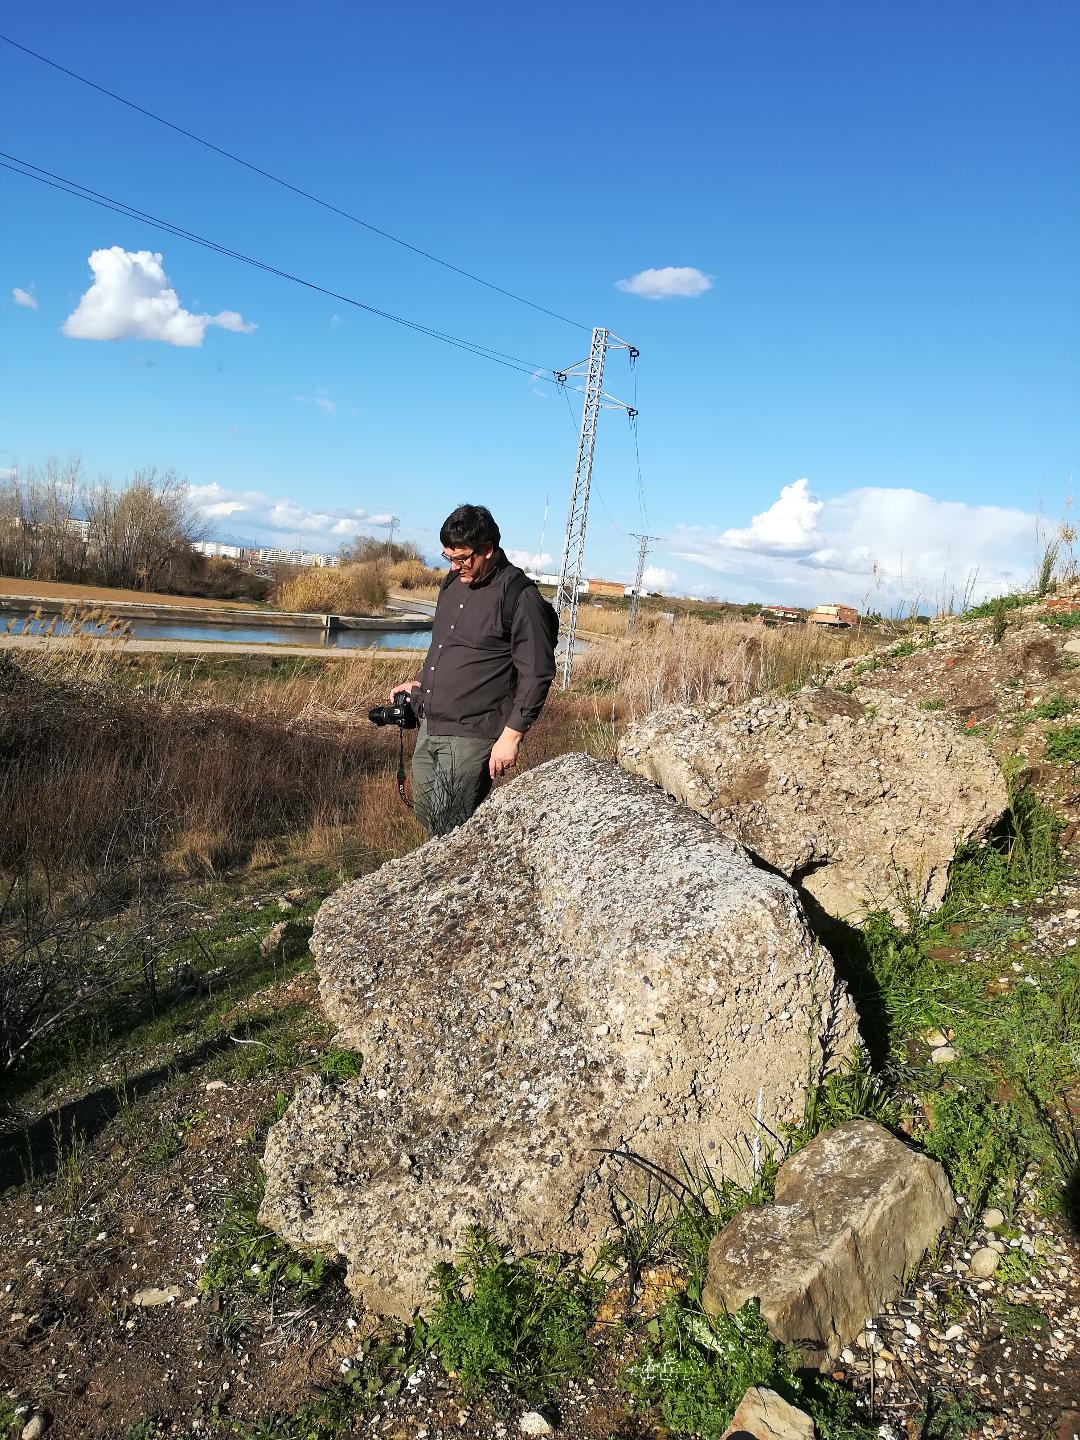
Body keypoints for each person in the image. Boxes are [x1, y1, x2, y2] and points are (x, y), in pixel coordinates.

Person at [388, 503, 557, 834]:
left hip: (473, 734)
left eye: (462, 558)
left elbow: (537, 673)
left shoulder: (520, 597)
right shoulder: (452, 584)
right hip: (430, 722)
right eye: (448, 557)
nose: (454, 567)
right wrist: (419, 682)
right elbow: (447, 645)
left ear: (488, 550)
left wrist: (511, 737)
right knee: (426, 811)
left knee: (448, 823)